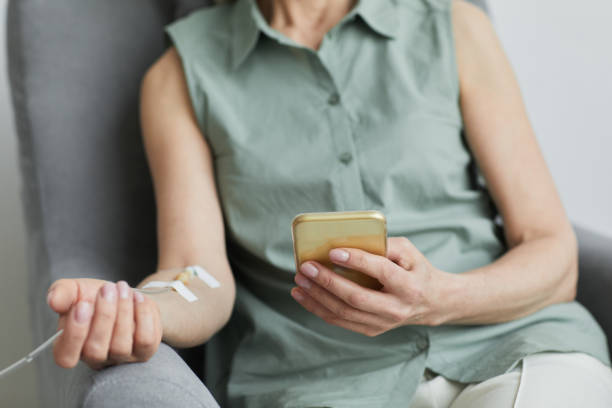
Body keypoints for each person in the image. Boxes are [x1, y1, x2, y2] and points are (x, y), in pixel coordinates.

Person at [46, 0, 612, 406]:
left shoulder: (454, 26)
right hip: (317, 384)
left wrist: (441, 298)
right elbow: (196, 274)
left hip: (514, 351)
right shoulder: (180, 75)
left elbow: (551, 251)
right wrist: (142, 308)